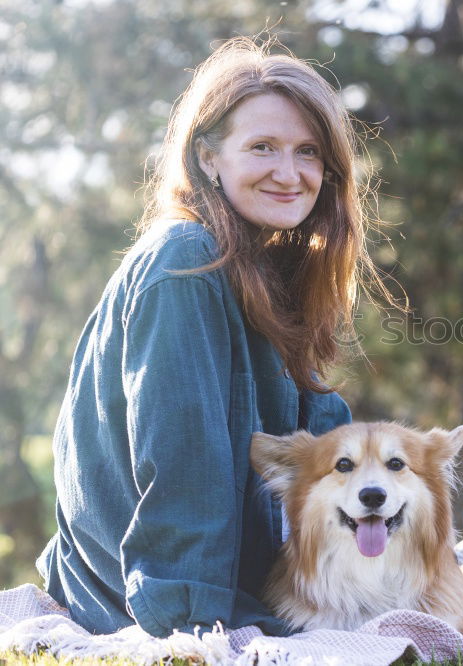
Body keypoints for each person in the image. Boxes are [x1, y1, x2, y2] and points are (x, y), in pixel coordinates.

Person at [36, 36, 380, 638]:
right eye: (262, 147)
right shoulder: (186, 261)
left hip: (236, 579)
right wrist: (194, 627)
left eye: (308, 153)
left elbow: (326, 446)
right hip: (150, 592)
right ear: (208, 157)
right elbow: (182, 458)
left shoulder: (273, 273)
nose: (289, 173)